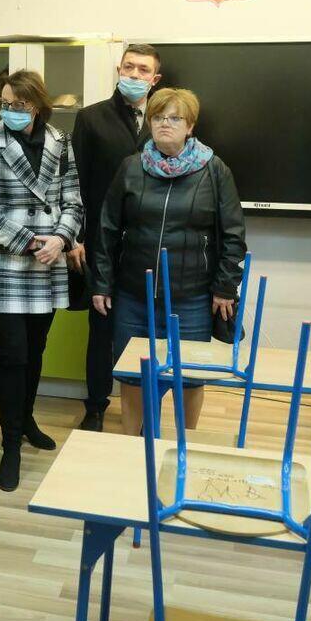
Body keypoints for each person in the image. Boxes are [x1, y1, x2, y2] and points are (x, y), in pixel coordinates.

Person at [90, 88, 246, 436]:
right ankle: (134, 445)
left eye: (175, 118)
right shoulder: (131, 167)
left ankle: (182, 445)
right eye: (158, 117)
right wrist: (101, 282)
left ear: (190, 126)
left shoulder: (214, 170)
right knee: (134, 375)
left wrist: (224, 287)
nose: (165, 124)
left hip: (191, 299)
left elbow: (233, 235)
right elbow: (107, 229)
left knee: (188, 378)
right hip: (134, 295)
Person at [0, 70, 83, 492]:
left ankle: (27, 420)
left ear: (36, 106)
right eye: (4, 104)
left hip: (48, 261)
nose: (9, 111)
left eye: (18, 105)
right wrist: (34, 241)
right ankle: (10, 445)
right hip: (6, 264)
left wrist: (61, 239)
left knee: (36, 350)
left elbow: (74, 201)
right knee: (13, 355)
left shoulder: (60, 141)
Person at [71, 43, 160, 432]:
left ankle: (141, 409)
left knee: (145, 330)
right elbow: (75, 184)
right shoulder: (91, 118)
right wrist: (76, 238)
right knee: (101, 330)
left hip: (149, 246)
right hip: (100, 244)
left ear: (155, 79)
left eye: (143, 70)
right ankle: (95, 407)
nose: (135, 75)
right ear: (119, 70)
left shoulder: (164, 119)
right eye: (129, 67)